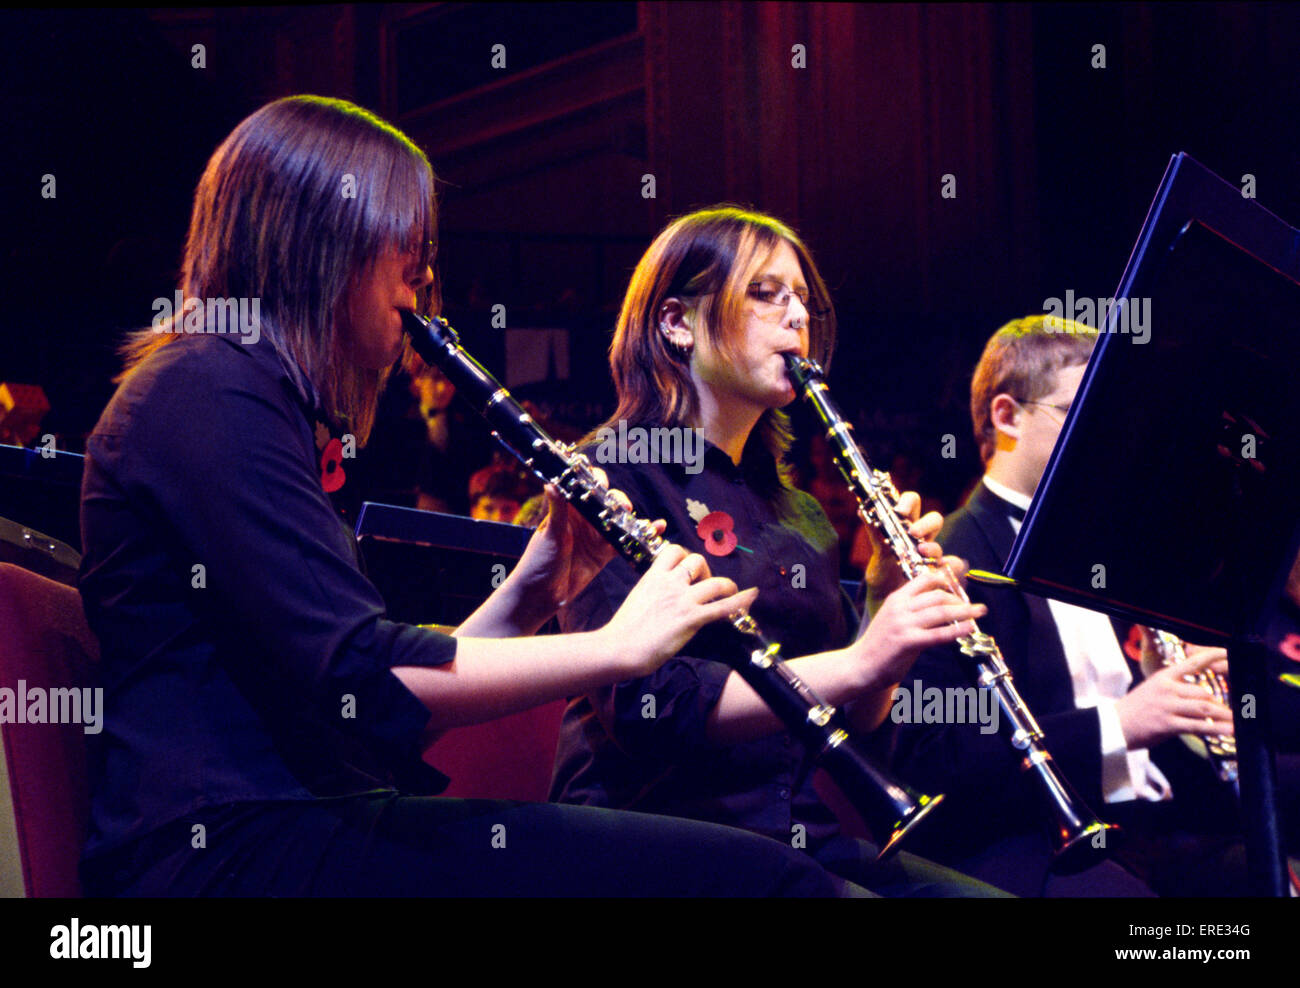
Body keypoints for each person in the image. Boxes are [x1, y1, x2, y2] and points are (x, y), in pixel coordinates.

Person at [75, 96, 875, 898]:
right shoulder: (206, 389)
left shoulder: (251, 396)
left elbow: (372, 694)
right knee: (755, 880)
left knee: (755, 874)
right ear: (321, 238)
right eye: (407, 241)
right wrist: (618, 649)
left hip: (303, 822)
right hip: (221, 851)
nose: (424, 274)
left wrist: (532, 592)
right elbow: (367, 674)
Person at [548, 205, 1008, 896]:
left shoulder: (802, 515)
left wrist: (886, 603)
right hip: (657, 834)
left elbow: (857, 719)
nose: (798, 317)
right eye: (765, 293)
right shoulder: (608, 474)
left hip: (790, 829)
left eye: (802, 299)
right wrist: (859, 659)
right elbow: (649, 710)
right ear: (676, 323)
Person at [888, 314, 1297, 896]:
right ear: (1007, 417)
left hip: (1135, 825)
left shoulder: (1094, 550)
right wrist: (1123, 722)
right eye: (1078, 414)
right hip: (1023, 842)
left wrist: (1170, 689)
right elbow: (937, 761)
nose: (1104, 438)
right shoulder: (954, 553)